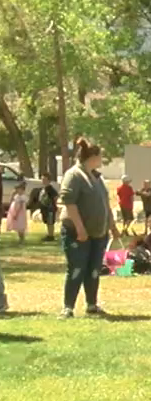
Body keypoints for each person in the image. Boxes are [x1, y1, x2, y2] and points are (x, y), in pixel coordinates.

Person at [59, 137, 122, 319]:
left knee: (94, 269)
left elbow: (105, 204)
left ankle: (92, 305)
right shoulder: (74, 175)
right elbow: (69, 204)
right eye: (100, 156)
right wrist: (80, 229)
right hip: (77, 233)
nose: (102, 159)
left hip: (98, 233)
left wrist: (112, 226)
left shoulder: (96, 177)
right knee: (77, 268)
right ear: (92, 157)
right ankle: (68, 307)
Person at [36, 173, 58, 242]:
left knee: (50, 222)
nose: (43, 181)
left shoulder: (50, 189)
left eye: (45, 179)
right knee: (47, 222)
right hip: (44, 208)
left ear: (49, 180)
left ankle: (51, 236)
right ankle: (49, 234)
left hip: (50, 208)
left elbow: (56, 197)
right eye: (42, 179)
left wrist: (53, 204)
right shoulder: (44, 188)